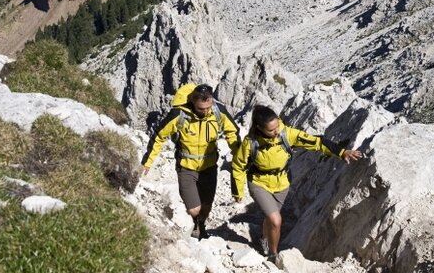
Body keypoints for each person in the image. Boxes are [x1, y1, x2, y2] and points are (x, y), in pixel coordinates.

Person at [231, 104, 362, 261]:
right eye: (271, 130)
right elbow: (238, 166)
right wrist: (238, 192)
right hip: (259, 183)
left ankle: (264, 238)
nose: (276, 131)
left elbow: (316, 142)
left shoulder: (287, 134)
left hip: (282, 184)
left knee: (271, 218)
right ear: (260, 128)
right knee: (276, 219)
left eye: (277, 126)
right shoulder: (250, 143)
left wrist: (341, 152)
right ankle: (273, 254)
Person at [141, 84, 240, 239]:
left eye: (208, 107)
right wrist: (147, 162)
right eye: (201, 109)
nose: (205, 111)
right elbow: (159, 137)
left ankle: (201, 225)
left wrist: (239, 155)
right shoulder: (179, 115)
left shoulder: (218, 112)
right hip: (186, 167)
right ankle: (195, 220)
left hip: (210, 167)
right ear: (193, 102)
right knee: (194, 209)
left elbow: (232, 133)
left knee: (207, 205)